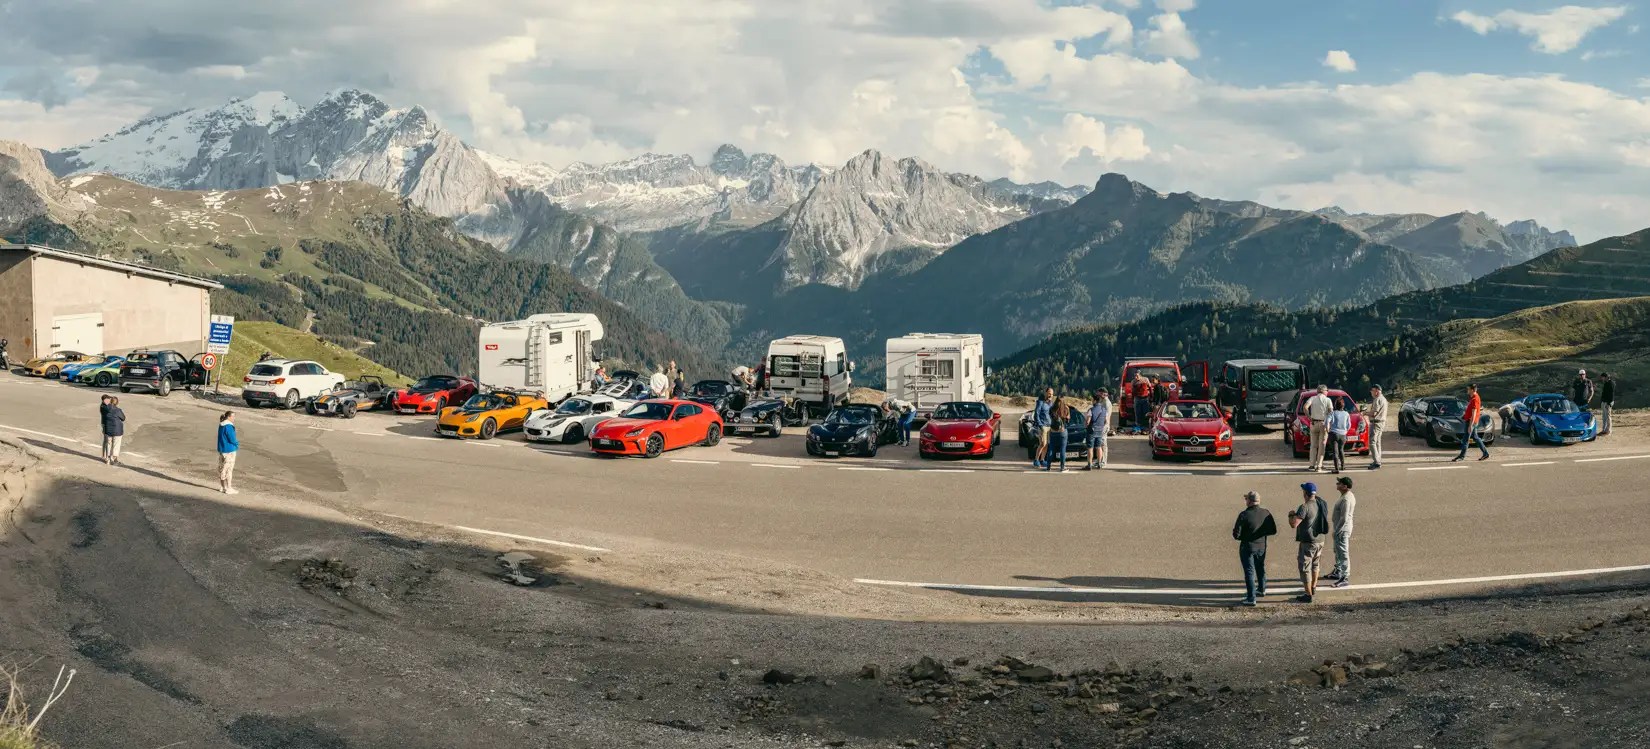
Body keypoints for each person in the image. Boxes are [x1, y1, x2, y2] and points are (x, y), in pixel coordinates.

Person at [1232, 491, 1277, 606]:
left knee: (1249, 572)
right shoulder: (1266, 513)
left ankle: (1251, 598)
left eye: (1246, 499)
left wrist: (1246, 536)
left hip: (1247, 547)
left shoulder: (1244, 515)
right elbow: (1273, 530)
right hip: (1261, 546)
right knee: (1260, 567)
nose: (1245, 500)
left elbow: (1236, 535)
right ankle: (1262, 589)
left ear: (1250, 501)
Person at [1290, 482, 1330, 603]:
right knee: (1315, 564)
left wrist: (1291, 515)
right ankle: (1313, 587)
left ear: (1305, 493)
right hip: (1320, 540)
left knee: (1305, 567)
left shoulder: (1305, 507)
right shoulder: (1320, 502)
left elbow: (1294, 524)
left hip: (1308, 542)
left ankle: (1307, 595)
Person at [1325, 476, 1357, 588]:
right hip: (1340, 528)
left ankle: (1344, 576)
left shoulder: (1346, 499)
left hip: (1342, 529)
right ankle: (1338, 570)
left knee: (1343, 553)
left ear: (1345, 486)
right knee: (1337, 550)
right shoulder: (1345, 496)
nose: (1337, 484)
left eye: (1339, 483)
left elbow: (1344, 518)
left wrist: (1337, 530)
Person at [1452, 383, 1490, 462]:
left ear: (1472, 390)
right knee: (1475, 437)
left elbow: (1474, 413)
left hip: (1471, 422)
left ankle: (1461, 457)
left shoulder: (1475, 399)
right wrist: (1465, 415)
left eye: (1468, 389)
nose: (1467, 391)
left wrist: (1470, 425)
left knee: (1466, 439)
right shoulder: (1474, 397)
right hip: (1471, 421)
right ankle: (1485, 453)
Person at [1304, 385, 1334, 472]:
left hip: (1313, 422)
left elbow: (1305, 407)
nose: (1327, 392)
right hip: (1323, 423)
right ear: (1323, 391)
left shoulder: (1312, 398)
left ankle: (1311, 464)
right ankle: (1319, 465)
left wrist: (1309, 417)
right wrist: (1329, 423)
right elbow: (1331, 412)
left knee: (1313, 445)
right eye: (1327, 390)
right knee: (1322, 445)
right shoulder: (1328, 400)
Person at [1086, 389, 1111, 470]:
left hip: (1092, 430)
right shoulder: (1104, 409)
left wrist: (1087, 425)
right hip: (1100, 430)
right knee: (1099, 447)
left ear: (1094, 401)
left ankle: (1089, 464)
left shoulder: (1091, 410)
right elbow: (1106, 420)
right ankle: (1100, 463)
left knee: (1090, 448)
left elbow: (1087, 422)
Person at [1364, 385, 1388, 470]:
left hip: (1376, 423)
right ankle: (1378, 460)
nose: (1371, 392)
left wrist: (1365, 413)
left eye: (1372, 390)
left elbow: (1374, 413)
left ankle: (1377, 462)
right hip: (1381, 422)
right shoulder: (1383, 399)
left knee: (1372, 442)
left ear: (1377, 391)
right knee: (1377, 442)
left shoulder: (1378, 399)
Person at [217, 411, 239, 495]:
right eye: (233, 416)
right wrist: (237, 444)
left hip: (222, 449)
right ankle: (229, 488)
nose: (234, 418)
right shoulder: (229, 426)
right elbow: (232, 439)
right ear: (228, 417)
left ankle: (223, 487)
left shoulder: (221, 424)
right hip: (229, 450)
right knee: (229, 469)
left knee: (222, 468)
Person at [1045, 397, 1070, 472]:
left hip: (1053, 431)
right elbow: (1068, 420)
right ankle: (1062, 467)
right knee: (1062, 449)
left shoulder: (1052, 409)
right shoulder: (1066, 408)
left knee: (1051, 448)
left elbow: (1049, 418)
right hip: (1062, 431)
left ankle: (1048, 467)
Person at [100, 395, 125, 465]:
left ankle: (107, 459)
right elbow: (123, 418)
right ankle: (114, 459)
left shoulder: (104, 408)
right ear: (117, 403)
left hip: (108, 430)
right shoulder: (117, 410)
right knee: (116, 445)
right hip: (117, 430)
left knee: (108, 443)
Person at [1327, 400, 1351, 473]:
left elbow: (1327, 421)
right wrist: (1345, 430)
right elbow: (1349, 425)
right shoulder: (1346, 414)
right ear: (1343, 406)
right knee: (1341, 450)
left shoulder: (1332, 413)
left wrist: (1328, 430)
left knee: (1335, 451)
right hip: (1343, 434)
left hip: (1334, 433)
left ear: (1335, 405)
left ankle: (1336, 468)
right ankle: (1343, 466)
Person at [1032, 388, 1053, 467]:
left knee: (1047, 444)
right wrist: (1040, 425)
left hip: (1049, 426)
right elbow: (1036, 414)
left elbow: (1051, 413)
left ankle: (1042, 460)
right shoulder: (1040, 402)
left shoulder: (1050, 403)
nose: (1051, 395)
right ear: (1046, 392)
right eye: (1049, 393)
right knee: (1042, 443)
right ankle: (1036, 459)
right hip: (1043, 426)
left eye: (1052, 394)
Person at [1599, 372, 1615, 436]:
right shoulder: (1606, 383)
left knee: (1608, 416)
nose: (1601, 378)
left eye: (1602, 377)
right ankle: (1604, 430)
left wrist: (1609, 403)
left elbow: (1611, 394)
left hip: (1607, 402)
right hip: (1604, 402)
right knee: (1604, 416)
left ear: (1605, 377)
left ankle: (1608, 431)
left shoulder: (1611, 383)